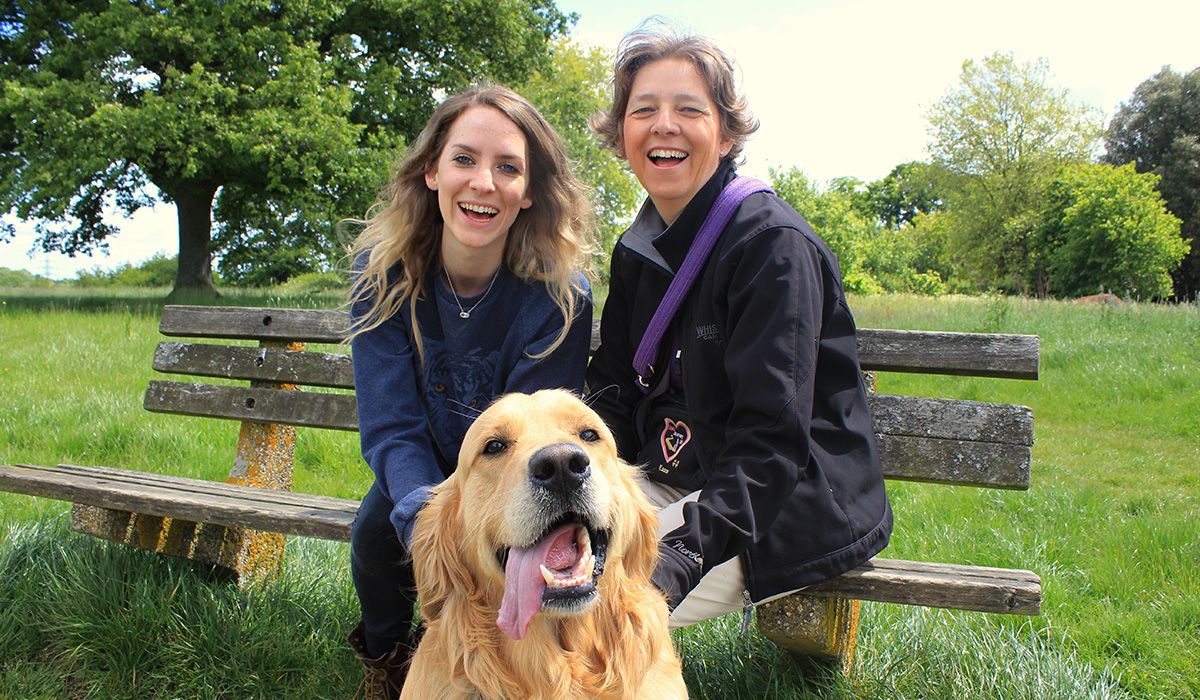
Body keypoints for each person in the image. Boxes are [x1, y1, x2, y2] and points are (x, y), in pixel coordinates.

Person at [586, 24, 893, 629]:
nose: (663, 125)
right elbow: (613, 395)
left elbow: (772, 445)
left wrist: (679, 556)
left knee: (591, 611)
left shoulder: (769, 245)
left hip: (778, 508)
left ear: (725, 134)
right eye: (643, 110)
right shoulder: (637, 248)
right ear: (622, 135)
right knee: (528, 568)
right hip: (672, 481)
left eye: (688, 110)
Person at [345, 84, 595, 699]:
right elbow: (391, 425)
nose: (483, 183)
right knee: (374, 537)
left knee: (518, 540)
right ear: (431, 171)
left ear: (529, 191)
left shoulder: (560, 296)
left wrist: (480, 514)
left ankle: (519, 667)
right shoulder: (382, 274)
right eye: (464, 159)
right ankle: (386, 655)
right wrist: (429, 521)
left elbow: (534, 429)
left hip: (507, 475)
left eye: (508, 167)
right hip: (419, 471)